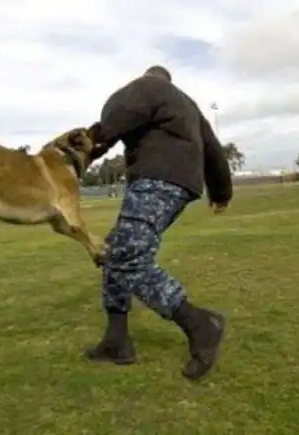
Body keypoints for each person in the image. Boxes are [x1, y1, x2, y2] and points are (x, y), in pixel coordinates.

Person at [84, 65, 233, 381]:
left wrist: (91, 143)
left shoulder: (149, 86)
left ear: (150, 76)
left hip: (157, 177)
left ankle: (199, 324)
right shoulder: (189, 105)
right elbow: (213, 149)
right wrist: (221, 192)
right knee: (114, 251)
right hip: (183, 184)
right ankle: (116, 339)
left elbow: (120, 111)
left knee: (128, 259)